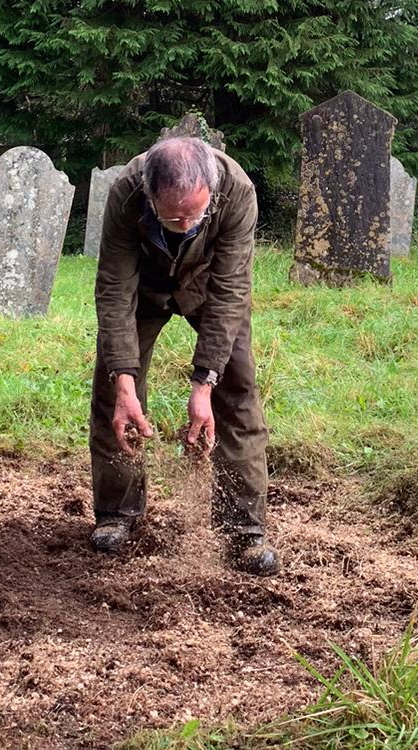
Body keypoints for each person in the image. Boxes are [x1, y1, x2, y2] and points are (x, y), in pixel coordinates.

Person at [89, 135, 278, 575]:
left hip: (209, 287)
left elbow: (232, 291)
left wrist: (204, 381)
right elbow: (115, 289)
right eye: (172, 217)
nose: (186, 224)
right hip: (142, 290)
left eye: (196, 214)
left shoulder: (238, 191)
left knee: (238, 390)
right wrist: (124, 379)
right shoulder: (125, 192)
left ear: (212, 192)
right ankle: (118, 513)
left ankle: (244, 529)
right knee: (112, 394)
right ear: (150, 195)